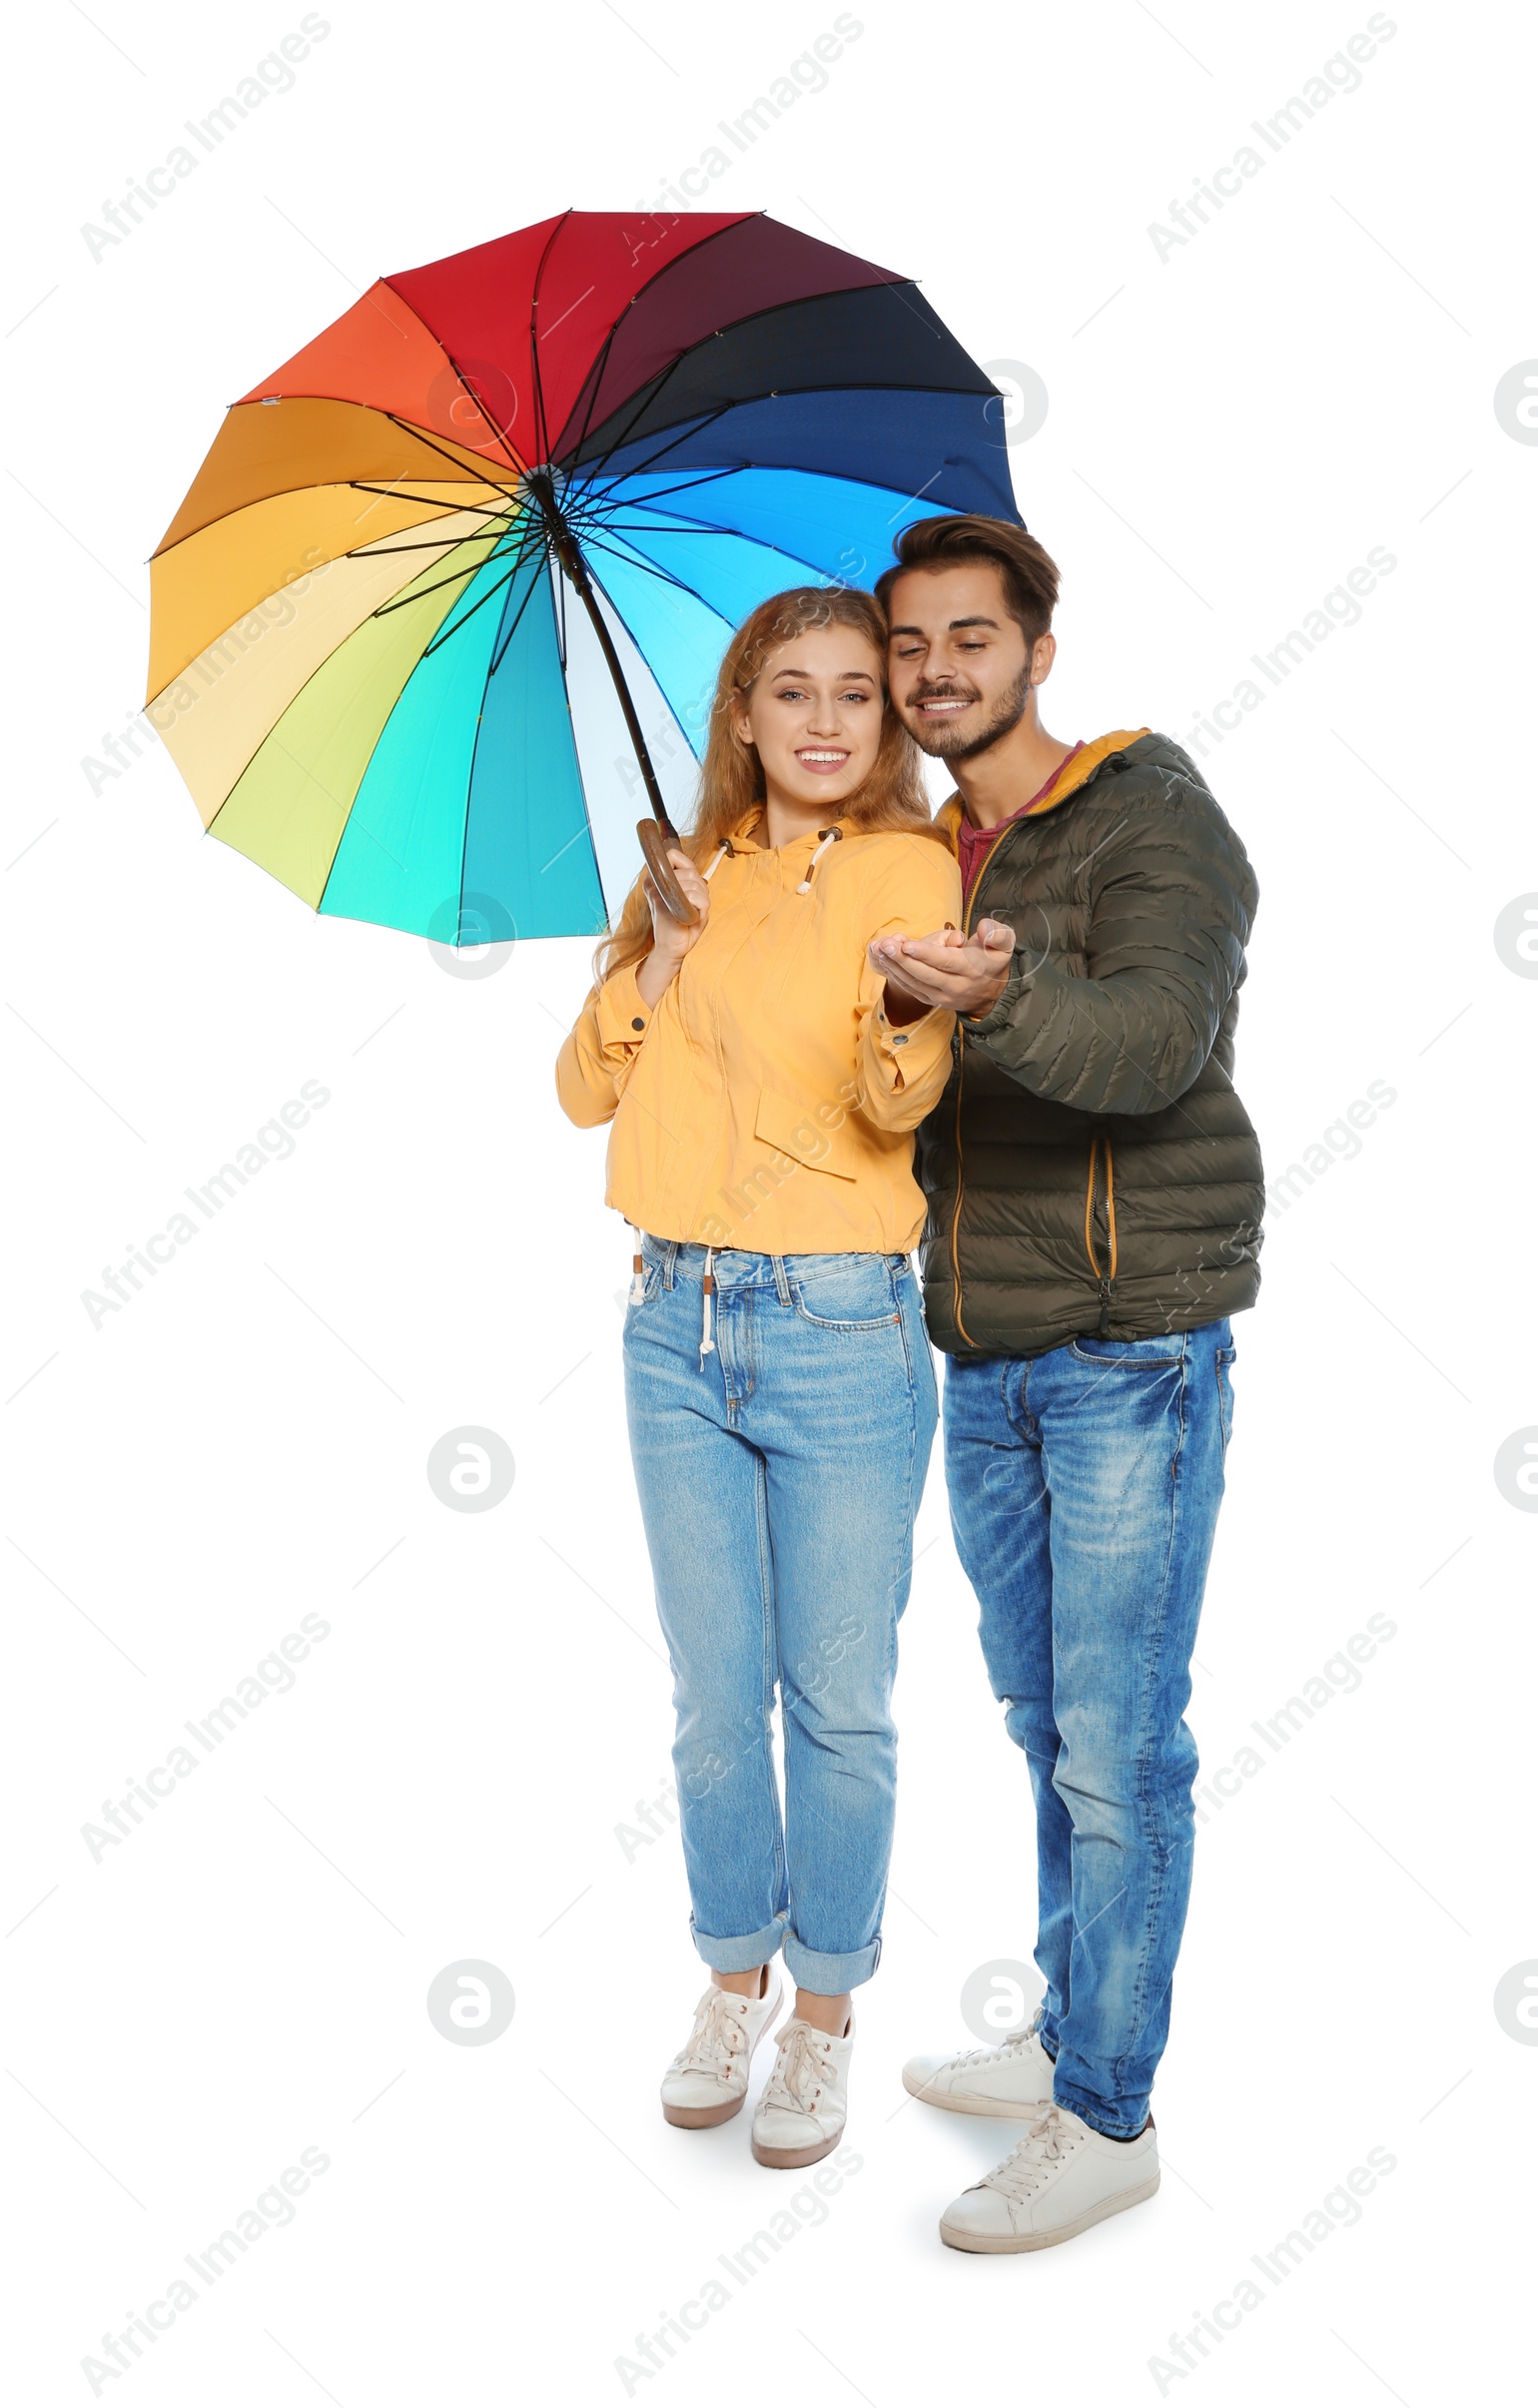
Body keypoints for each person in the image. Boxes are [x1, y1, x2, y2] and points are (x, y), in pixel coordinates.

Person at [867, 513, 1265, 2252]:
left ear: (1039, 645)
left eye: (970, 636)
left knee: (1119, 1746)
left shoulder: (1149, 813)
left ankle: (1112, 2113)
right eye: (909, 645)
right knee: (1046, 1727)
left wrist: (1000, 996)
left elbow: (1152, 1043)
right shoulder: (926, 851)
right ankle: (1069, 2034)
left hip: (1129, 1356)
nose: (934, 671)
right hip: (989, 1362)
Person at [556, 585, 962, 2168]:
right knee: (716, 1707)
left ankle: (825, 2016)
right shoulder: (690, 874)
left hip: (844, 1325)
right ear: (740, 713)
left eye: (856, 694)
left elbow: (889, 1100)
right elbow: (582, 1093)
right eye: (789, 691)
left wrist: (915, 1007)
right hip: (675, 1322)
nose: (821, 719)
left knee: (837, 1706)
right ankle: (731, 1982)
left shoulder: (907, 868)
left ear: (881, 723)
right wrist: (657, 952)